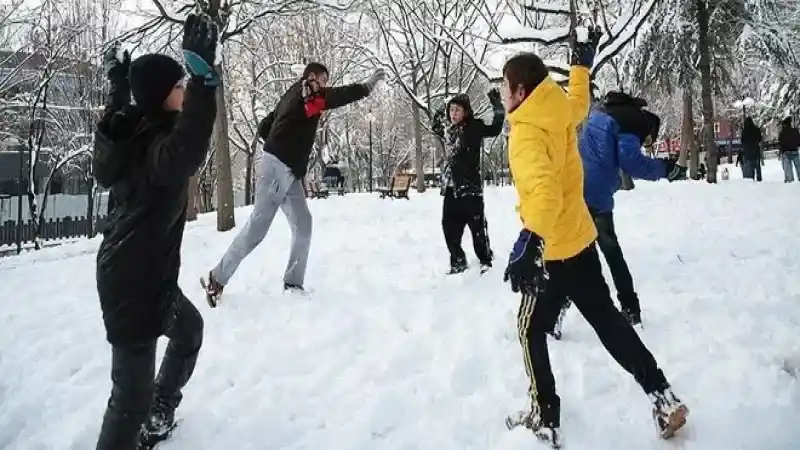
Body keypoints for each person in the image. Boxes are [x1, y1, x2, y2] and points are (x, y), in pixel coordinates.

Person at [499, 42, 688, 447]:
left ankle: (545, 417)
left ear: (518, 91)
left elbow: (545, 192)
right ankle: (663, 396)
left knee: (529, 329)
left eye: (504, 87)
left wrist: (529, 239)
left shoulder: (526, 133)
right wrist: (580, 66)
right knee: (609, 322)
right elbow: (579, 104)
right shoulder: (557, 108)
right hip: (581, 241)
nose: (502, 95)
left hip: (550, 252)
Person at [92, 14, 219, 450]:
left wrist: (118, 84)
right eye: (178, 85)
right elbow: (188, 147)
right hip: (132, 285)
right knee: (129, 397)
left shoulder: (139, 129)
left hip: (148, 278)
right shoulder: (158, 151)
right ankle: (143, 419)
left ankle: (160, 412)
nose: (183, 88)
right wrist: (203, 78)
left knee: (189, 332)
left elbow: (118, 114)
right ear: (163, 98)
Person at [203, 63, 386, 303]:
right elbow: (338, 96)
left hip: (288, 169)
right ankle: (217, 277)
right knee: (257, 228)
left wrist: (285, 138)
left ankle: (292, 283)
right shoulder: (308, 91)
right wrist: (367, 86)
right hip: (278, 167)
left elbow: (265, 125)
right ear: (311, 78)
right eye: (324, 80)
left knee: (303, 223)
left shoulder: (294, 92)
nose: (325, 86)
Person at [565, 91, 687, 326]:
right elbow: (632, 161)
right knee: (610, 251)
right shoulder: (636, 123)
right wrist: (666, 169)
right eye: (649, 140)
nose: (647, 143)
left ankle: (556, 307)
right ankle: (630, 308)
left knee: (573, 252)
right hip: (596, 193)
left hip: (575, 185)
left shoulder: (604, 109)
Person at [431, 89, 504, 274]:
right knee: (449, 227)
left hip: (470, 188)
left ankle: (485, 259)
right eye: (451, 110)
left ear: (466, 111)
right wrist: (442, 104)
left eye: (457, 110)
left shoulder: (474, 127)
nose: (453, 114)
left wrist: (497, 106)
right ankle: (458, 261)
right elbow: (435, 125)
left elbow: (495, 129)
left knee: (477, 228)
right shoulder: (449, 131)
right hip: (451, 188)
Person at [741, 117, 763, 181]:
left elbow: (742, 140)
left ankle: (752, 178)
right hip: (756, 150)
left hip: (748, 151)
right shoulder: (756, 129)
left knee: (750, 166)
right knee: (757, 166)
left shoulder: (744, 131)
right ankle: (759, 178)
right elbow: (759, 139)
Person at [778, 116, 800, 182]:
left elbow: (781, 143)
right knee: (798, 168)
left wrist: (781, 152)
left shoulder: (782, 133)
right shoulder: (795, 131)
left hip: (786, 153)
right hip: (795, 151)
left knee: (788, 170)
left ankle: (790, 181)